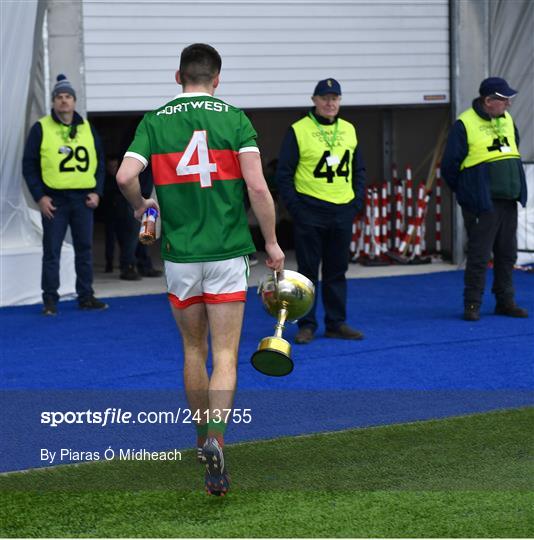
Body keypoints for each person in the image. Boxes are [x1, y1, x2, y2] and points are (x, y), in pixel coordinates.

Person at [115, 43, 284, 496]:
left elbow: (124, 177)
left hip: (179, 255)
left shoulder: (155, 120)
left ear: (178, 77)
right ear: (217, 78)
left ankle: (199, 442)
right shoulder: (235, 118)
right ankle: (217, 438)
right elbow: (257, 187)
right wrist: (270, 242)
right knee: (226, 355)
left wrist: (143, 208)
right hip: (228, 252)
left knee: (194, 349)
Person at [276, 78, 366, 344]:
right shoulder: (299, 129)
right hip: (310, 211)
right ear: (314, 100)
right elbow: (284, 174)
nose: (330, 103)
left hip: (342, 210)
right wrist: (297, 209)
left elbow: (359, 170)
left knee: (337, 270)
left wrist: (356, 203)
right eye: (325, 98)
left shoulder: (349, 129)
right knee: (307, 272)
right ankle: (307, 324)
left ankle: (336, 322)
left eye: (335, 98)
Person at [442, 77, 528, 321]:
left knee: (507, 253)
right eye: (503, 100)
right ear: (488, 101)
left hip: (508, 200)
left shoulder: (507, 120)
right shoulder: (464, 124)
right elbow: (449, 167)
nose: (508, 105)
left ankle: (505, 301)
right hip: (482, 202)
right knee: (479, 255)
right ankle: (472, 304)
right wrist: (468, 194)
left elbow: (514, 148)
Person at [22, 74, 108, 315]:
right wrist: (40, 196)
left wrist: (97, 191)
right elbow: (29, 165)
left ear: (74, 101)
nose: (63, 101)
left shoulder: (87, 128)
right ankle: (50, 300)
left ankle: (86, 296)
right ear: (53, 102)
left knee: (84, 249)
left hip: (83, 199)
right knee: (52, 251)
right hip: (55, 200)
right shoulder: (41, 128)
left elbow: (99, 162)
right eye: (59, 97)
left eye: (68, 97)